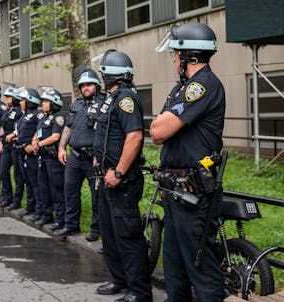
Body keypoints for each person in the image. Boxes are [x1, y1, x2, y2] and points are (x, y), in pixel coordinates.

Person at [150, 22, 225, 302]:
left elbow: (158, 131)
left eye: (174, 54)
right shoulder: (183, 88)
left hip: (193, 192)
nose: (173, 58)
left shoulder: (202, 86)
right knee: (174, 264)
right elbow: (159, 127)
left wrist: (163, 124)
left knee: (200, 267)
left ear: (188, 56)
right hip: (176, 190)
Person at [93, 50, 152, 302]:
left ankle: (139, 292)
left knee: (127, 236)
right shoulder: (113, 97)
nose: (102, 76)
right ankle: (119, 279)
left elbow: (135, 136)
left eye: (104, 72)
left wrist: (118, 171)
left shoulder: (127, 99)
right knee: (110, 234)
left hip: (121, 180)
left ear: (112, 74)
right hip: (106, 178)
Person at [55, 69, 105, 239]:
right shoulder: (76, 104)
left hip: (92, 158)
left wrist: (99, 155)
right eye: (83, 85)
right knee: (70, 191)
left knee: (96, 195)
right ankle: (71, 225)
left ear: (97, 86)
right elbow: (67, 127)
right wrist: (62, 148)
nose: (85, 88)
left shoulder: (104, 103)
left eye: (89, 84)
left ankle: (96, 229)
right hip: (74, 157)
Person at [30, 87, 66, 226]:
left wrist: (39, 145)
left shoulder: (58, 117)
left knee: (56, 190)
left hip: (53, 159)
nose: (43, 103)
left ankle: (60, 219)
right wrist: (34, 142)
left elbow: (55, 136)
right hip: (42, 159)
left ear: (54, 102)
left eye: (46, 101)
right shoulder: (44, 118)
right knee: (44, 188)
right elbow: (37, 132)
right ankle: (47, 215)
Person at [15, 88, 43, 218]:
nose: (20, 103)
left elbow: (41, 131)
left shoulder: (38, 115)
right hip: (22, 153)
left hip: (32, 155)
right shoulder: (24, 116)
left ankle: (39, 210)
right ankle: (30, 207)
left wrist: (33, 145)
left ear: (30, 101)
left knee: (36, 183)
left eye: (23, 100)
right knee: (28, 182)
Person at [0, 87, 24, 210]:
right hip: (6, 145)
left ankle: (16, 201)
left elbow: (20, 128)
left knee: (18, 175)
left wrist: (13, 134)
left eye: (8, 97)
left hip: (15, 146)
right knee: (3, 171)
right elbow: (2, 126)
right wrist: (1, 142)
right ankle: (6, 197)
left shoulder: (19, 112)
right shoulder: (7, 111)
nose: (6, 99)